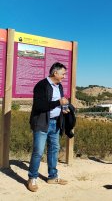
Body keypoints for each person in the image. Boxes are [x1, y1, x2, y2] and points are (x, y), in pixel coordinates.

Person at [27, 62, 70, 192]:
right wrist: (59, 102)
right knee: (38, 152)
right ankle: (32, 178)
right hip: (41, 123)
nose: (64, 76)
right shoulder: (41, 85)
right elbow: (40, 106)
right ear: (55, 73)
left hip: (55, 123)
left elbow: (58, 103)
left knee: (54, 150)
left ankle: (52, 176)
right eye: (63, 74)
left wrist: (63, 108)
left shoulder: (59, 86)